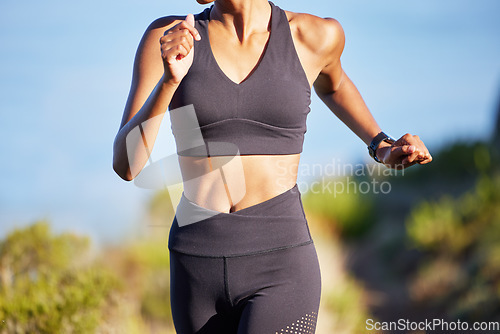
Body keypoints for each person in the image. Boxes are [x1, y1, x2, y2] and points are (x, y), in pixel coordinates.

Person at [112, 0, 432, 332]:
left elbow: (334, 85)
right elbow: (126, 166)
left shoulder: (314, 36)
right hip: (195, 262)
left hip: (280, 264)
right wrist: (169, 81)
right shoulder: (168, 37)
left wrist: (382, 146)